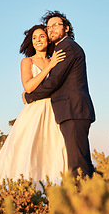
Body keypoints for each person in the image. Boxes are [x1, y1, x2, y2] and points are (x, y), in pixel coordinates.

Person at [0, 25, 67, 191]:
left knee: (53, 149)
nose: (38, 40)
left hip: (54, 109)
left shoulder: (55, 58)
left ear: (48, 39)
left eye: (41, 36)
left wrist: (53, 62)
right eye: (34, 38)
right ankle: (26, 190)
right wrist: (49, 66)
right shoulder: (28, 61)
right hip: (34, 112)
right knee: (28, 150)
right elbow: (28, 87)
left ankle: (54, 189)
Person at [24, 11, 96, 178]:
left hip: (73, 110)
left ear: (67, 28)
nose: (51, 29)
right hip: (69, 111)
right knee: (76, 161)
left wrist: (29, 97)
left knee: (78, 165)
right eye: (48, 27)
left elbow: (55, 81)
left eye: (56, 25)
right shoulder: (62, 48)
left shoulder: (67, 46)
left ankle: (85, 199)